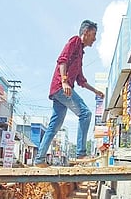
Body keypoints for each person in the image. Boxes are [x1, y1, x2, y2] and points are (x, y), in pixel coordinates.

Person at [33, 20, 105, 167]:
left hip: (61, 89)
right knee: (85, 113)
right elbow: (62, 60)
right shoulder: (75, 41)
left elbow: (81, 80)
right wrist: (65, 81)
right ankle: (81, 153)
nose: (95, 39)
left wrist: (95, 91)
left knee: (54, 125)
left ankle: (39, 160)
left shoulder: (80, 53)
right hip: (61, 87)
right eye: (94, 34)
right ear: (85, 33)